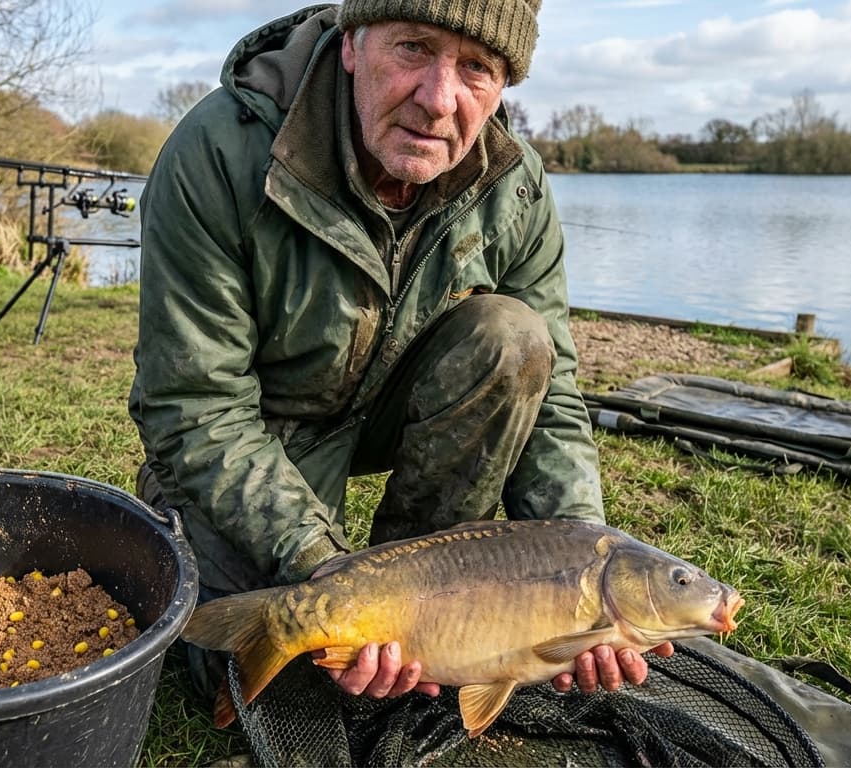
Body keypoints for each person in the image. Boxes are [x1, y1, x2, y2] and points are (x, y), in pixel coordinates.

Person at [128, 0, 670, 706]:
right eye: (414, 48)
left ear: (505, 83)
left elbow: (555, 395)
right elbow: (194, 406)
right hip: (256, 431)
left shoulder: (515, 184)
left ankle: (434, 620)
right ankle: (378, 609)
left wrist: (585, 568)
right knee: (262, 671)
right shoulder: (219, 151)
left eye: (476, 67)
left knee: (513, 335)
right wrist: (338, 577)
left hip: (389, 414)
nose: (439, 99)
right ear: (352, 44)